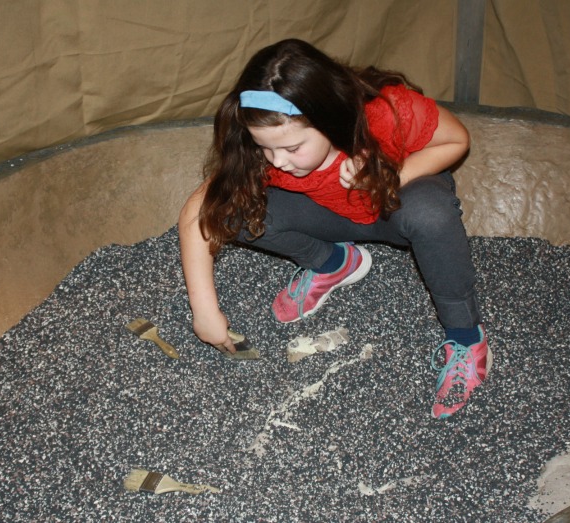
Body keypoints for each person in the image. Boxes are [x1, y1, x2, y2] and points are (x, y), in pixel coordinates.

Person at [177, 39, 492, 419]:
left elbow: (458, 139)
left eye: (293, 148)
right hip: (327, 213)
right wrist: (204, 311)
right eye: (266, 148)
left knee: (430, 213)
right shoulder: (262, 147)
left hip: (392, 208)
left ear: (330, 119)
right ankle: (334, 263)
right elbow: (199, 211)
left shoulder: (386, 112)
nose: (278, 161)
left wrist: (385, 177)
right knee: (233, 209)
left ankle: (466, 338)